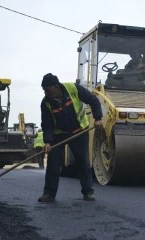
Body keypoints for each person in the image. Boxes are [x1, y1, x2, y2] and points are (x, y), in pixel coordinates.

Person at [38, 73, 103, 202]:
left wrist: (98, 118)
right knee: (53, 164)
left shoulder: (73, 88)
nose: (45, 92)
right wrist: (48, 142)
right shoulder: (45, 103)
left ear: (56, 86)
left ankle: (88, 192)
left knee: (83, 162)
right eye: (44, 90)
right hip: (59, 134)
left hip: (79, 131)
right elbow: (47, 124)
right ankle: (49, 194)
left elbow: (93, 100)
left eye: (47, 89)